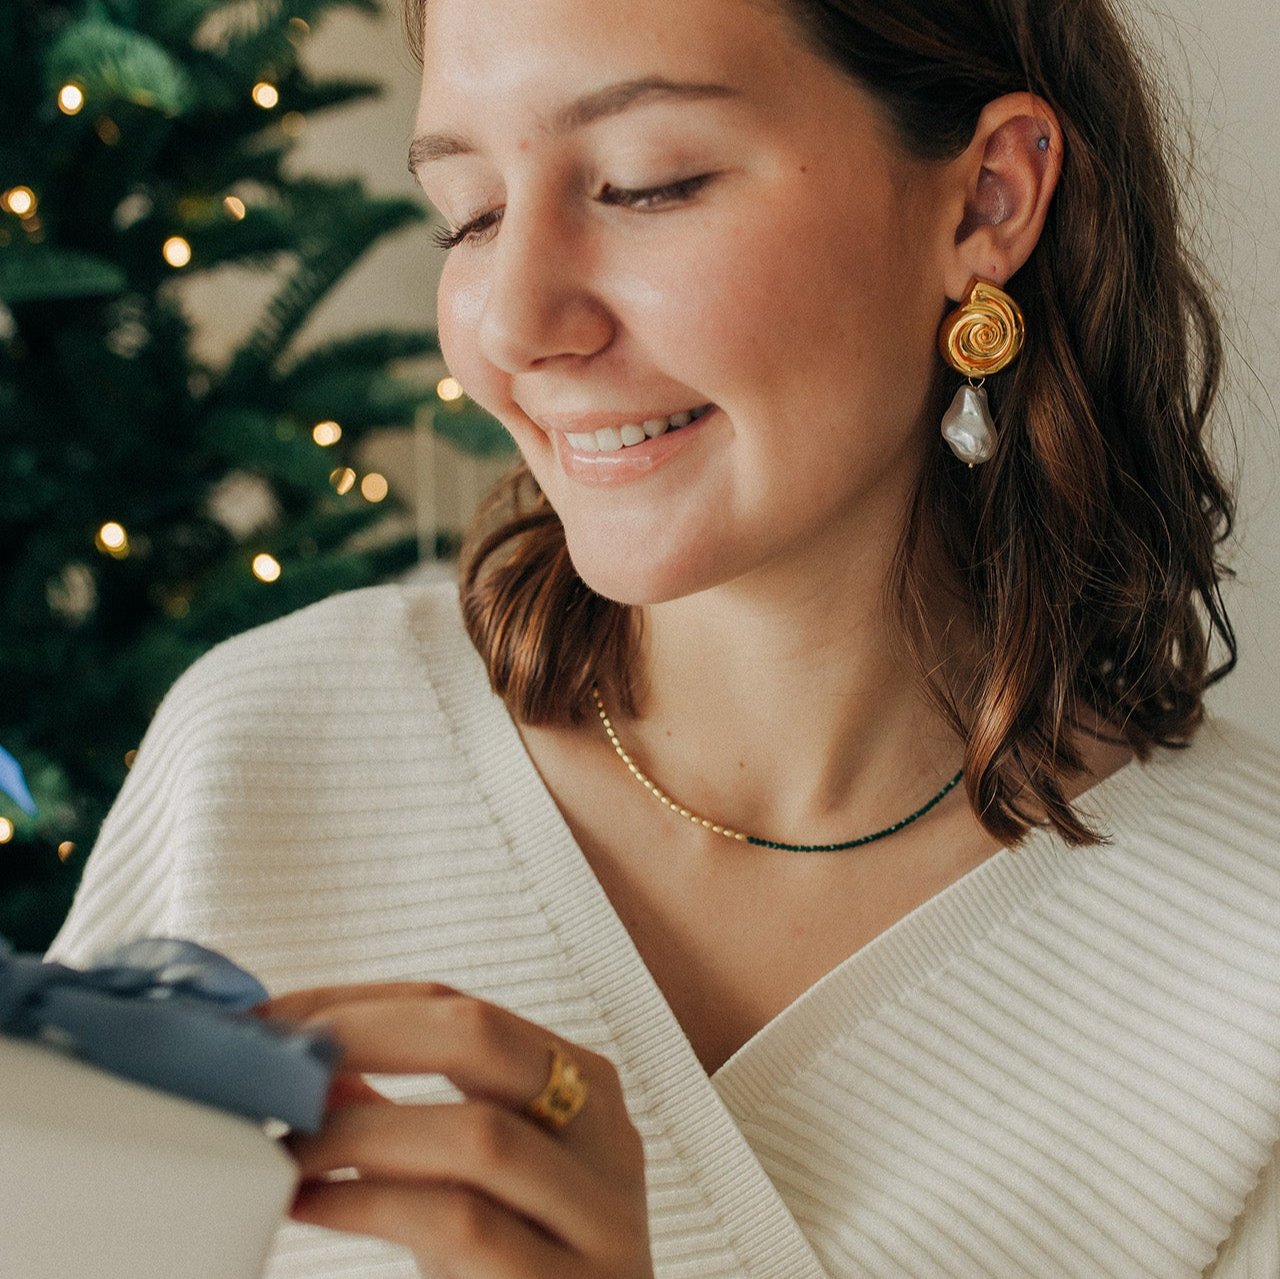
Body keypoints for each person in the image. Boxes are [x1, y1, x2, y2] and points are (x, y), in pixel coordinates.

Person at [48, 0, 1280, 1274]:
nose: (516, 324)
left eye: (648, 185)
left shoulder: (1248, 972)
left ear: (982, 200)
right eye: (468, 213)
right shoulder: (261, 754)